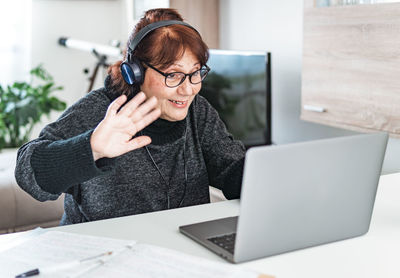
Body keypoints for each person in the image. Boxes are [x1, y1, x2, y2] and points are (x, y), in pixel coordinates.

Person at [15, 8, 245, 225]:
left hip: (181, 251)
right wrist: (91, 148)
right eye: (174, 75)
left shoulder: (198, 111)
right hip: (104, 254)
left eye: (195, 72)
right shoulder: (99, 112)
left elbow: (231, 170)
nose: (188, 89)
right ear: (135, 72)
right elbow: (28, 175)